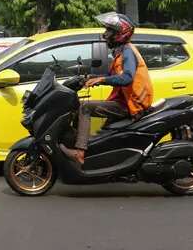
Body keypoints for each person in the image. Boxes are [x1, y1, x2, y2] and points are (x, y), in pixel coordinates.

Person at [60, 12, 154, 165]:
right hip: (124, 102)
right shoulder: (121, 52)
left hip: (132, 105)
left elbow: (127, 78)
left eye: (109, 31)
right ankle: (93, 154)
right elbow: (110, 75)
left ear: (119, 34)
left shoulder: (128, 53)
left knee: (85, 107)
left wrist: (102, 79)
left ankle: (80, 152)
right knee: (102, 133)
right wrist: (90, 78)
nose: (105, 34)